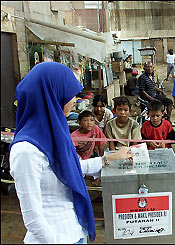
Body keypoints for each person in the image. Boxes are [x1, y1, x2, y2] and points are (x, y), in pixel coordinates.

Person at [8, 62, 134, 244]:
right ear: (53, 95)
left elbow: (72, 168)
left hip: (74, 231)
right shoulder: (26, 150)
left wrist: (111, 158)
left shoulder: (54, 134)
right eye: (70, 94)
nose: (75, 100)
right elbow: (33, 219)